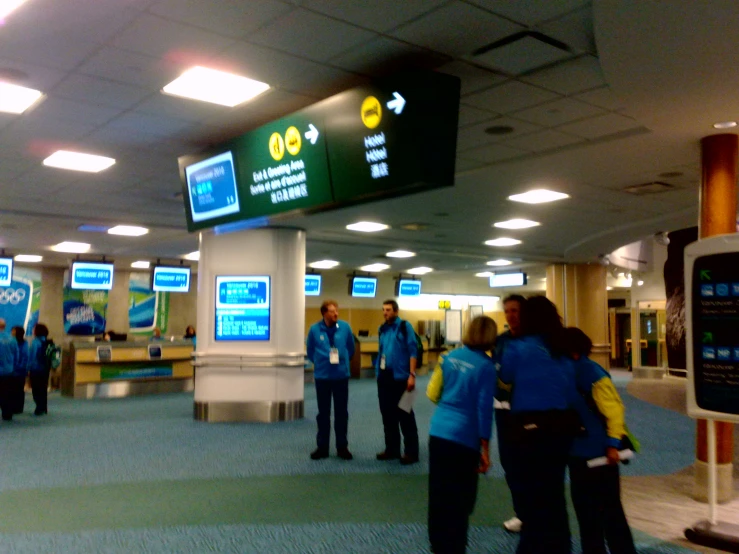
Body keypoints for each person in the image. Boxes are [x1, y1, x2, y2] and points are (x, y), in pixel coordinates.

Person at [498, 296, 578, 554]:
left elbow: (505, 375)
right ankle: (560, 547)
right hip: (561, 426)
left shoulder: (519, 346)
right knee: (553, 492)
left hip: (530, 427)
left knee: (532, 494)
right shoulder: (562, 346)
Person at [427, 315, 498, 554]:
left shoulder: (449, 357)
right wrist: (485, 448)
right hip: (464, 438)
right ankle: (454, 547)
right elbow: (483, 409)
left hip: (438, 431)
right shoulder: (487, 367)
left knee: (438, 494)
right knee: (460, 499)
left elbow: (433, 393)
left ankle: (438, 545)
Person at [565, 327, 637, 554]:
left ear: (573, 351)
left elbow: (615, 411)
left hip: (600, 454)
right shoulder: (567, 371)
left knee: (609, 510)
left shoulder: (591, 373)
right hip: (577, 453)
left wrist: (613, 444)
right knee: (587, 513)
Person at [305, 300, 356, 461]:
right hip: (323, 377)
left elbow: (351, 348)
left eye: (337, 311)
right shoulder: (314, 330)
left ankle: (342, 447)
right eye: (332, 311)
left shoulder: (345, 327)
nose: (336, 314)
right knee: (323, 414)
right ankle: (322, 447)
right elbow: (310, 350)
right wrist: (320, 363)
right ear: (324, 313)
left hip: (341, 376)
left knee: (341, 413)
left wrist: (343, 361)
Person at [494, 294, 526, 533]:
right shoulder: (501, 340)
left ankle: (535, 512)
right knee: (510, 462)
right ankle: (521, 512)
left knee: (529, 462)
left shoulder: (535, 340)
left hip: (527, 410)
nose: (510, 315)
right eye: (507, 311)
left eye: (514, 311)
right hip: (503, 410)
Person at [375, 299, 419, 465]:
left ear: (396, 311)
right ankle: (392, 449)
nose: (385, 312)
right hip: (385, 378)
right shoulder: (382, 329)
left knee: (406, 414)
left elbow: (413, 351)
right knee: (387, 415)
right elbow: (381, 352)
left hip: (403, 378)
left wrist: (412, 375)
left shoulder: (404, 326)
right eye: (383, 310)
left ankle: (411, 452)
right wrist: (378, 372)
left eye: (388, 310)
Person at [28, 323, 51, 416]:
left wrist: (28, 368)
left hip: (36, 369)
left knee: (36, 390)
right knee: (43, 388)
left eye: (34, 329)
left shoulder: (35, 342)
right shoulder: (47, 341)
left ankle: (38, 408)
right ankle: (44, 407)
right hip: (45, 368)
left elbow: (32, 356)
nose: (33, 330)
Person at [0, 318, 19, 421]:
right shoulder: (12, 339)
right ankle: (7, 414)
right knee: (7, 393)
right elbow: (17, 355)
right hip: (9, 371)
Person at [11, 326, 29, 414]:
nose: (11, 333)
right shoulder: (12, 342)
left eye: (13, 331)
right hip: (13, 370)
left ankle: (18, 408)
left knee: (19, 390)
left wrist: (19, 367)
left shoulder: (24, 344)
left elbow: (25, 358)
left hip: (19, 371)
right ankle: (14, 407)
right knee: (13, 390)